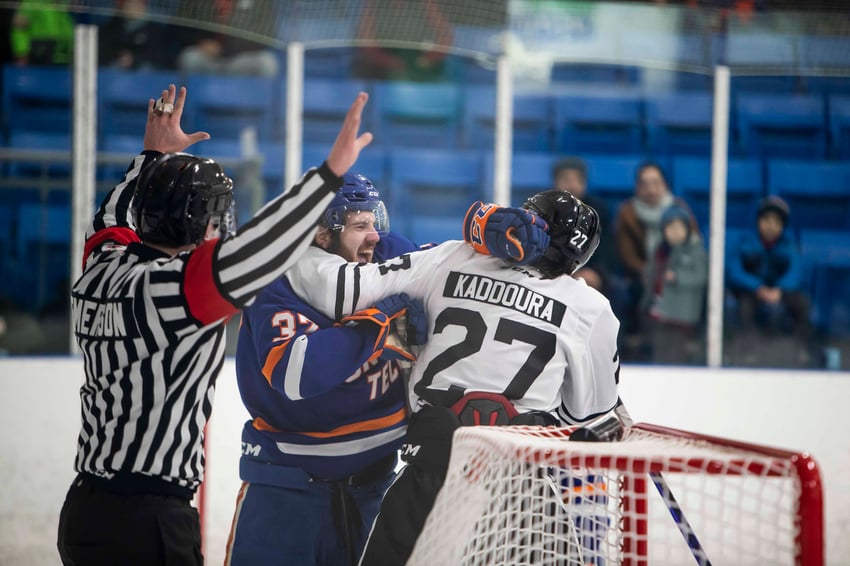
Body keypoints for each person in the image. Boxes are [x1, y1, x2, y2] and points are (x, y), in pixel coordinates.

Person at [56, 83, 375, 565]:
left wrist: (151, 156)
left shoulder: (104, 266)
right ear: (207, 225)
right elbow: (258, 251)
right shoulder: (175, 292)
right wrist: (327, 178)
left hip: (85, 508)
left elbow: (109, 217)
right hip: (149, 520)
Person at [284, 190, 622, 566]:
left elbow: (335, 289)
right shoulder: (592, 308)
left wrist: (288, 243)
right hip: (523, 496)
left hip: (428, 475)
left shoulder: (452, 256)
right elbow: (588, 418)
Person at [224, 173, 427, 566]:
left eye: (374, 221)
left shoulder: (388, 254)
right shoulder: (277, 278)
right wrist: (373, 326)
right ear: (321, 235)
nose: (374, 236)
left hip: (377, 486)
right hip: (285, 489)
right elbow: (296, 373)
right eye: (360, 226)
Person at [613, 160, 699, 361]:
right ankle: (634, 345)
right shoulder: (628, 211)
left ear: (665, 185)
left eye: (656, 183)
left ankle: (686, 345)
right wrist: (650, 272)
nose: (651, 189)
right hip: (640, 274)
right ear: (638, 187)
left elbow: (694, 247)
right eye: (645, 184)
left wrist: (673, 274)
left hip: (676, 273)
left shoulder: (680, 209)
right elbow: (626, 253)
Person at [725, 195, 812, 366]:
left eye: (776, 223)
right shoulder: (745, 243)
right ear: (758, 222)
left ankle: (801, 348)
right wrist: (757, 287)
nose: (771, 227)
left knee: (803, 303)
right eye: (766, 221)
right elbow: (734, 270)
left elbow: (796, 271)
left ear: (782, 226)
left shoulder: (789, 246)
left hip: (780, 291)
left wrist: (780, 290)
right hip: (752, 291)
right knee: (744, 307)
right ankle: (747, 351)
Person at [641, 205, 708, 365]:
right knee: (660, 342)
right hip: (659, 307)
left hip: (681, 311)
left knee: (677, 346)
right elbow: (652, 272)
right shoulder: (660, 250)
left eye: (679, 227)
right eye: (670, 227)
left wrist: (678, 277)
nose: (675, 231)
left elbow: (700, 276)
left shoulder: (695, 251)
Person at [552, 156, 615, 295]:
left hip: (590, 270)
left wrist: (596, 272)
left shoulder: (599, 210)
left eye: (577, 180)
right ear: (556, 182)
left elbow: (606, 250)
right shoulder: (545, 210)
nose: (572, 186)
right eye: (566, 180)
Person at [352, 0, 453, 82]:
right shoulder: (375, 5)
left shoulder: (425, 5)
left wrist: (423, 62)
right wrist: (392, 63)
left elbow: (445, 39)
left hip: (421, 69)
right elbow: (367, 45)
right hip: (383, 71)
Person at [176, 0, 279, 76]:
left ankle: (253, 104)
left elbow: (268, 33)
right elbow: (180, 27)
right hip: (209, 60)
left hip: (243, 60)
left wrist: (229, 48)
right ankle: (186, 103)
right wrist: (201, 42)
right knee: (189, 58)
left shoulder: (260, 3)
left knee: (268, 63)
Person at [98, 0, 178, 71]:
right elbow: (103, 50)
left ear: (143, 5)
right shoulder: (112, 26)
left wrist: (134, 59)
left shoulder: (152, 28)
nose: (131, 7)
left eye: (136, 3)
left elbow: (158, 55)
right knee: (112, 68)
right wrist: (119, 57)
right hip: (117, 66)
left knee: (146, 68)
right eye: (128, 3)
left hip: (142, 69)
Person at [10, 0, 75, 65]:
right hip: (40, 50)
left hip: (66, 55)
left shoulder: (68, 4)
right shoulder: (33, 2)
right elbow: (19, 28)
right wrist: (21, 53)